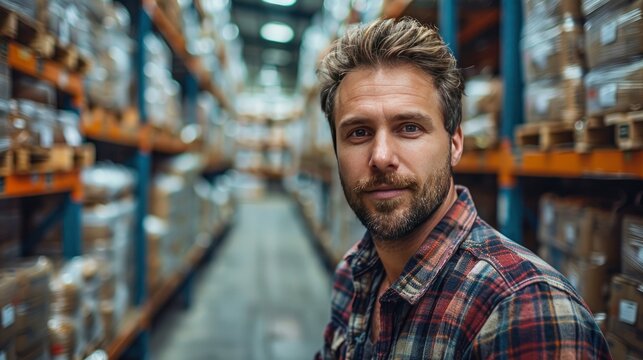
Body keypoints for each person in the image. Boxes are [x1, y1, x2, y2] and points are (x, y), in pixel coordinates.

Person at [314, 18, 611, 359]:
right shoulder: (352, 275)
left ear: (455, 144)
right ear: (336, 149)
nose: (381, 157)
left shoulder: (526, 312)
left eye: (409, 128)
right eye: (359, 133)